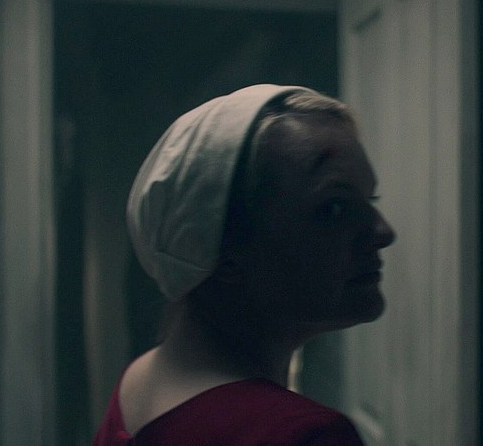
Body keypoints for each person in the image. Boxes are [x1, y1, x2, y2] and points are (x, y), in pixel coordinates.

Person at [92, 84, 395, 445]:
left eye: (370, 200)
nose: (383, 232)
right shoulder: (302, 434)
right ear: (225, 249)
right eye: (334, 208)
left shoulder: (139, 383)